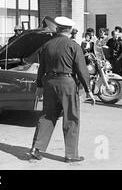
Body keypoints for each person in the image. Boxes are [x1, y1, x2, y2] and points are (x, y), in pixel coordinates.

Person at [28, 16, 95, 163]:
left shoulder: (47, 46)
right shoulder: (74, 46)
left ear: (57, 29)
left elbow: (42, 68)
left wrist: (39, 85)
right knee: (71, 117)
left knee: (47, 116)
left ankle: (36, 149)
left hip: (49, 83)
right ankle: (71, 155)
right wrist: (88, 90)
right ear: (70, 30)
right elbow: (82, 70)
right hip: (67, 83)